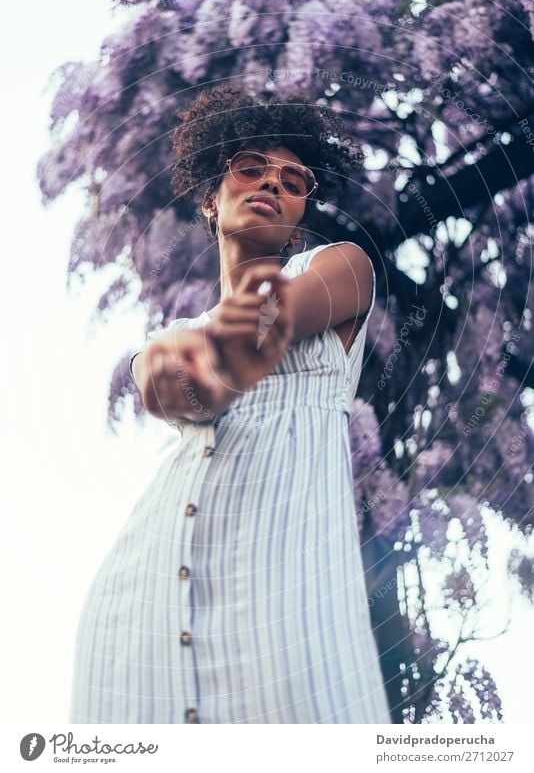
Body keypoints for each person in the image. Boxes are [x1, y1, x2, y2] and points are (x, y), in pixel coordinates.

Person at [69, 86, 390, 724]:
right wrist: (195, 378)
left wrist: (238, 350)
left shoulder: (338, 268)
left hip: (280, 589)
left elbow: (281, 316)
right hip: (141, 607)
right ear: (211, 200)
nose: (272, 180)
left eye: (292, 179)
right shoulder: (169, 339)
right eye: (250, 168)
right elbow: (180, 392)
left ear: (298, 219)